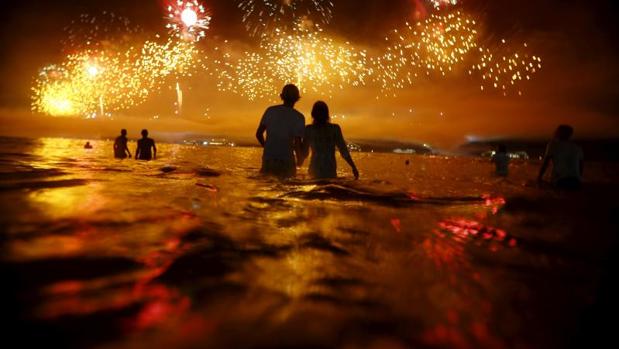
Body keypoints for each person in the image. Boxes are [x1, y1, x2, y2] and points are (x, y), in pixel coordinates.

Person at [299, 101, 359, 179]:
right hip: (329, 169)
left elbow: (304, 154)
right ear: (327, 114)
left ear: (313, 114)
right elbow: (343, 151)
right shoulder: (334, 129)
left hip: (315, 168)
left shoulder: (309, 129)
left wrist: (297, 145)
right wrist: (353, 167)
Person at [255, 84, 305, 178]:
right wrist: (300, 160)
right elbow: (297, 144)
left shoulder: (270, 111)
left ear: (282, 96)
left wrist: (267, 147)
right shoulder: (299, 117)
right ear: (297, 98)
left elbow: (258, 134)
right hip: (286, 161)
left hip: (269, 159)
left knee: (266, 188)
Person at [537, 125, 584, 190]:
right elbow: (581, 167)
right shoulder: (577, 147)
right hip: (576, 182)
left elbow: (545, 163)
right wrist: (580, 179)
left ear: (558, 133)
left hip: (560, 181)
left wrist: (539, 178)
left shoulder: (553, 145)